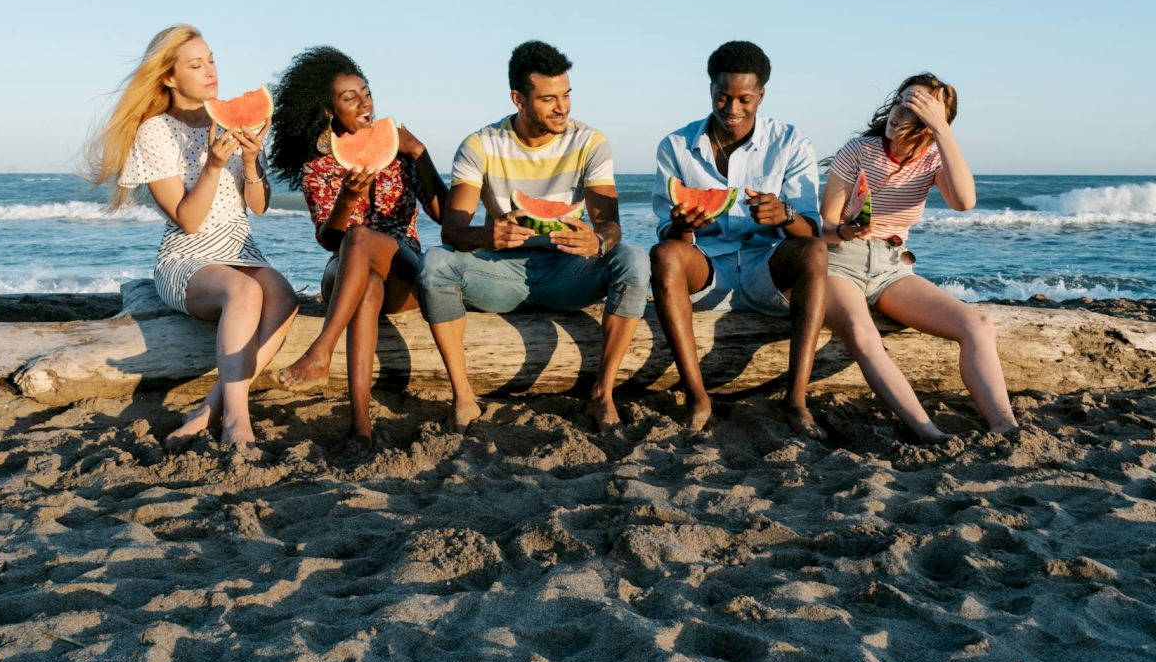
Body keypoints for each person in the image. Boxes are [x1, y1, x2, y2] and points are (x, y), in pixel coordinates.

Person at [417, 40, 650, 433]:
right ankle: (465, 398)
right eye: (548, 99)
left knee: (634, 259)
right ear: (518, 99)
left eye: (566, 95)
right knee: (435, 262)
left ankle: (602, 393)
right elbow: (452, 230)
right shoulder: (481, 144)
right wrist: (487, 236)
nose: (562, 108)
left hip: (569, 274)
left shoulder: (589, 142)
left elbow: (609, 223)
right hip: (500, 276)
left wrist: (598, 243)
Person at [86, 25, 299, 450]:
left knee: (285, 296)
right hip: (187, 259)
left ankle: (210, 407)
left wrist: (253, 162)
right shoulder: (155, 132)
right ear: (168, 76)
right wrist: (214, 166)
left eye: (212, 60)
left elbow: (258, 206)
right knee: (245, 292)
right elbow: (187, 220)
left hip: (240, 248)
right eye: (196, 64)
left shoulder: (232, 121)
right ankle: (237, 420)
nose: (210, 71)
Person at [266, 47, 447, 450]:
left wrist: (420, 153)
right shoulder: (319, 165)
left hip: (404, 268)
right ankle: (361, 428)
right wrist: (346, 201)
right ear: (329, 111)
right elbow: (328, 239)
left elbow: (445, 215)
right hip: (347, 272)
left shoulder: (400, 151)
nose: (365, 103)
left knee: (361, 237)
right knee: (365, 283)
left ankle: (320, 351)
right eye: (350, 98)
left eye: (366, 92)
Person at [820, 74, 1018, 440]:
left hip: (892, 268)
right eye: (900, 100)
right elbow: (825, 227)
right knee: (865, 336)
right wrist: (848, 230)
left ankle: (1005, 426)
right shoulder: (859, 150)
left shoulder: (932, 158)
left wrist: (942, 131)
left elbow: (964, 202)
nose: (898, 112)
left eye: (915, 108)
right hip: (839, 261)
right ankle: (929, 432)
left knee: (978, 325)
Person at [650, 40, 829, 435]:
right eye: (722, 97)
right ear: (711, 91)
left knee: (814, 251)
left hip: (764, 268)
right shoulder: (675, 146)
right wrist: (684, 225)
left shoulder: (791, 142)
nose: (732, 109)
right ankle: (698, 398)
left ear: (761, 94)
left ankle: (796, 400)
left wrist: (785, 215)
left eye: (744, 99)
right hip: (707, 268)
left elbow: (811, 229)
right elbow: (668, 234)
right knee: (663, 254)